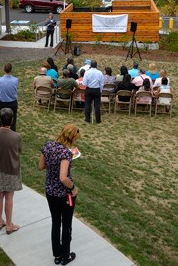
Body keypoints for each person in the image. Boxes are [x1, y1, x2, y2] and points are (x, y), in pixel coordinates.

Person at [38, 124, 82, 265]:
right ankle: (65, 256)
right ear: (73, 138)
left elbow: (40, 166)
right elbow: (63, 178)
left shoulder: (48, 146)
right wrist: (73, 188)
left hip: (50, 191)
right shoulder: (66, 153)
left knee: (55, 223)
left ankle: (57, 255)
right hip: (64, 194)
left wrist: (52, 164)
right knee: (66, 223)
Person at [0, 108, 22, 234]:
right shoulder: (16, 137)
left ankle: (0, 221)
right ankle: (9, 225)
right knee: (9, 196)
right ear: (12, 120)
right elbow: (19, 151)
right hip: (12, 169)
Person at [0, 63, 19, 131]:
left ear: (4, 70)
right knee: (13, 120)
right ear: (11, 70)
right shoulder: (15, 80)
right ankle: (12, 132)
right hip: (12, 103)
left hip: (2, 103)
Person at [82, 60, 103, 124]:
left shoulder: (87, 72)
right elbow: (101, 83)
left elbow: (84, 83)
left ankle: (87, 119)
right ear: (96, 66)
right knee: (97, 105)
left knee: (87, 104)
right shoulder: (100, 73)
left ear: (90, 65)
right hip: (97, 89)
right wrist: (100, 91)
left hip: (89, 89)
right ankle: (98, 120)